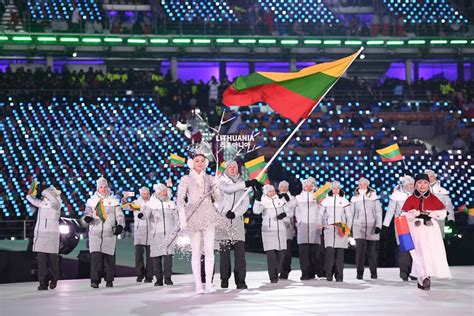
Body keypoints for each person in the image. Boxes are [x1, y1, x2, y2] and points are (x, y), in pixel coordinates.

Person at [177, 151, 221, 294]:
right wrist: (183, 219)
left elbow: (217, 198)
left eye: (202, 160)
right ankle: (198, 285)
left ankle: (209, 283)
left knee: (209, 251)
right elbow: (180, 201)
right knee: (196, 252)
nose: (200, 163)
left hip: (208, 215)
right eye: (197, 160)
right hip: (194, 216)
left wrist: (217, 187)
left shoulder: (210, 178)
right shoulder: (186, 179)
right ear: (192, 163)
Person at [401, 174, 452, 290]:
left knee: (429, 253)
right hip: (416, 229)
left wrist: (431, 213)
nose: (422, 185)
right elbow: (403, 214)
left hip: (430, 229)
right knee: (418, 254)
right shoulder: (411, 199)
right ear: (415, 185)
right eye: (419, 183)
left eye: (425, 183)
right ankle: (423, 277)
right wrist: (414, 214)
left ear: (428, 184)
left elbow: (443, 213)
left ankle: (424, 278)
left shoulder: (434, 198)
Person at [217, 161, 259, 289]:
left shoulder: (242, 183)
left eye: (234, 167)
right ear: (226, 169)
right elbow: (228, 189)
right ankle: (224, 279)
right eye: (230, 167)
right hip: (223, 222)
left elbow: (245, 203)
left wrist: (235, 214)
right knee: (224, 256)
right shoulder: (221, 181)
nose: (232, 169)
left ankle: (240, 281)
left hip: (237, 223)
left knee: (240, 256)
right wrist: (245, 183)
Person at [83, 177, 125, 288]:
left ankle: (109, 280)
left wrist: (120, 225)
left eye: (105, 187)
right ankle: (95, 280)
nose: (103, 189)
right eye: (101, 187)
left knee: (109, 258)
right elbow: (87, 213)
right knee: (95, 258)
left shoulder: (114, 201)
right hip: (95, 232)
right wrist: (87, 218)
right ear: (97, 188)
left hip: (109, 233)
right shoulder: (91, 201)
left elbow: (120, 215)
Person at [139, 183, 178, 286]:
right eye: (162, 191)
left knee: (168, 258)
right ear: (157, 192)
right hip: (156, 234)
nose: (164, 193)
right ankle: (159, 279)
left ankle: (168, 278)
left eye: (165, 191)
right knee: (156, 258)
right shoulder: (151, 203)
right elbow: (145, 212)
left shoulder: (171, 203)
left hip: (169, 234)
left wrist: (178, 228)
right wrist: (141, 215)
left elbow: (176, 218)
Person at [26, 185, 62, 290]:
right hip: (41, 235)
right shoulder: (42, 204)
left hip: (52, 235)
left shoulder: (57, 203)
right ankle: (43, 282)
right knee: (41, 261)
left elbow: (54, 201)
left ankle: (54, 278)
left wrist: (46, 192)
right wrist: (29, 194)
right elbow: (32, 200)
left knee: (52, 261)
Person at [317, 181, 351, 282]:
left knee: (340, 254)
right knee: (329, 253)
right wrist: (320, 224)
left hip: (341, 228)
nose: (335, 190)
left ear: (339, 189)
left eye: (337, 188)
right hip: (329, 229)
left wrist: (347, 229)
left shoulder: (344, 201)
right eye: (334, 188)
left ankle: (339, 275)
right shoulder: (326, 201)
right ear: (331, 189)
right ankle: (329, 274)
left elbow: (349, 216)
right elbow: (320, 214)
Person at [349, 178, 382, 280]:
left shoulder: (374, 197)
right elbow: (351, 214)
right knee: (360, 251)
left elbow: (378, 212)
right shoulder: (354, 198)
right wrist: (349, 228)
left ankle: (373, 272)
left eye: (364, 184)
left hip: (372, 226)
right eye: (361, 184)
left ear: (367, 185)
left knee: (372, 251)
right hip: (358, 226)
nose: (362, 186)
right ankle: (359, 273)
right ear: (358, 186)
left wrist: (378, 226)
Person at [382, 175, 415, 281]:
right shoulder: (396, 195)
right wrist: (385, 225)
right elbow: (390, 211)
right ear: (405, 184)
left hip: (415, 223)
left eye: (413, 184)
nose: (412, 186)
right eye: (410, 184)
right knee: (404, 249)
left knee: (415, 249)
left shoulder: (417, 194)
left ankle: (415, 272)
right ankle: (404, 272)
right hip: (402, 223)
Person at [253, 184, 288, 283]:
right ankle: (273, 276)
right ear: (266, 193)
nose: (272, 193)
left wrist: (284, 214)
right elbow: (256, 211)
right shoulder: (263, 201)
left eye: (273, 191)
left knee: (281, 254)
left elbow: (289, 210)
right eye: (270, 191)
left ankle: (277, 271)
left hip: (280, 230)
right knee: (271, 255)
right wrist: (257, 200)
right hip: (268, 230)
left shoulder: (280, 200)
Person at [122, 187, 153, 283]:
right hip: (139, 232)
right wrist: (124, 199)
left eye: (147, 194)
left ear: (149, 194)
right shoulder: (136, 203)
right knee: (138, 255)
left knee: (150, 256)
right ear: (141, 194)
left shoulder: (153, 203)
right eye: (143, 194)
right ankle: (140, 274)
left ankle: (149, 276)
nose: (145, 196)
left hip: (151, 232)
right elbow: (126, 207)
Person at [294, 177, 323, 280]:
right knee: (303, 251)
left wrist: (320, 222)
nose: (308, 187)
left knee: (314, 251)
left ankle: (313, 272)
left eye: (310, 185)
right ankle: (305, 273)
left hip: (315, 225)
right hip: (303, 226)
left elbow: (321, 210)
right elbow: (296, 211)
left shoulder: (318, 197)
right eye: (306, 185)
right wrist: (298, 222)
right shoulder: (298, 198)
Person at [424, 169, 455, 238]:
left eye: (431, 176)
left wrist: (451, 219)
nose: (430, 178)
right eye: (428, 177)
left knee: (439, 240)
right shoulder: (421, 191)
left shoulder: (443, 191)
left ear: (435, 177)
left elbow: (449, 206)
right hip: (426, 220)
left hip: (439, 219)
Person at [277, 180, 297, 280]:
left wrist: (287, 201)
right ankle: (277, 269)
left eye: (285, 186)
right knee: (278, 250)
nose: (283, 188)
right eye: (282, 187)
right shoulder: (275, 197)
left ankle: (285, 270)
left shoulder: (292, 198)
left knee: (287, 251)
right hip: (276, 227)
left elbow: (291, 211)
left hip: (288, 227)